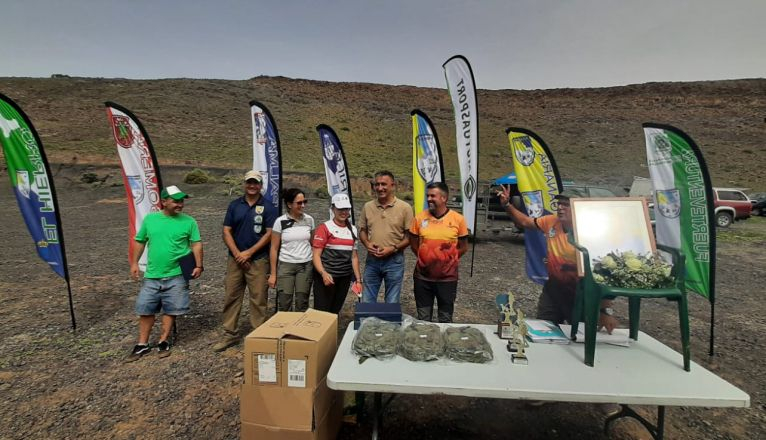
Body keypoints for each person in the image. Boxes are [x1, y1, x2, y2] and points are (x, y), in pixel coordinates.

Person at [498, 187, 619, 333]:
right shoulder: (551, 221)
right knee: (544, 331)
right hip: (553, 292)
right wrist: (506, 205)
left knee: (579, 338)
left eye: (566, 204)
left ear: (579, 207)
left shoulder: (594, 233)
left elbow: (605, 275)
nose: (560, 208)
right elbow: (525, 222)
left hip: (581, 296)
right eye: (559, 204)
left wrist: (605, 312)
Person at [126, 185, 203, 362]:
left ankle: (163, 340)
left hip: (177, 273)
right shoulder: (151, 220)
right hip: (152, 274)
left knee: (171, 308)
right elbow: (140, 241)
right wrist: (134, 263)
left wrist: (199, 265)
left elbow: (196, 244)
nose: (180, 204)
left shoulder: (189, 221)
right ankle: (142, 344)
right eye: (176, 201)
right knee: (145, 309)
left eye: (181, 201)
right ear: (164, 201)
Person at [213, 170, 277, 352]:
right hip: (235, 260)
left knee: (258, 298)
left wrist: (248, 253)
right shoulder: (235, 205)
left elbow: (269, 233)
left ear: (260, 185)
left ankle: (258, 334)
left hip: (258, 260)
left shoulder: (269, 207)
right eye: (249, 182)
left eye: (255, 183)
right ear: (244, 184)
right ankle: (229, 334)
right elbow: (226, 231)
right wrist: (238, 254)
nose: (252, 186)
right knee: (231, 295)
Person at [409, 182, 469, 322]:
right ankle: (425, 343)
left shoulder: (458, 219)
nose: (429, 199)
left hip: (447, 279)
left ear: (444, 198)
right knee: (423, 319)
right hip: (422, 279)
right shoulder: (419, 218)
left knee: (445, 319)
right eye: (427, 196)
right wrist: (426, 258)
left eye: (432, 196)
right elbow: (413, 243)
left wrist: (449, 259)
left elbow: (464, 247)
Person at [358, 171, 413, 304]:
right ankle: (367, 323)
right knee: (366, 300)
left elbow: (409, 237)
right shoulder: (368, 206)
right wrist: (367, 243)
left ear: (392, 185)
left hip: (394, 260)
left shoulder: (405, 208)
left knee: (392, 302)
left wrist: (393, 248)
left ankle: (388, 325)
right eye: (377, 184)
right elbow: (362, 230)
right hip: (372, 260)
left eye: (384, 184)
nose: (380, 188)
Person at [311, 193, 362, 314]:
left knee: (335, 310)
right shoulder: (325, 228)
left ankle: (331, 332)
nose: (344, 212)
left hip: (344, 277)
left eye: (346, 209)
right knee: (322, 311)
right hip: (327, 276)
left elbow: (354, 257)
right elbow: (316, 255)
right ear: (333, 208)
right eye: (340, 209)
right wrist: (323, 273)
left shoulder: (353, 229)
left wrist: (358, 280)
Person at [268, 188, 315, 312]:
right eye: (299, 203)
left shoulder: (309, 220)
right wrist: (273, 274)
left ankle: (298, 330)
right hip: (286, 266)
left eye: (304, 202)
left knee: (302, 302)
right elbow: (274, 248)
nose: (303, 205)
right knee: (284, 303)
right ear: (289, 204)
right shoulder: (280, 222)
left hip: (305, 266)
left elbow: (313, 244)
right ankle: (285, 330)